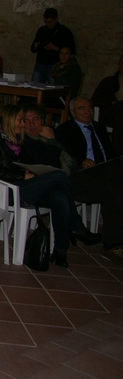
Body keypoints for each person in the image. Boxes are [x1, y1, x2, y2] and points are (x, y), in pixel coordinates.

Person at [0, 104, 100, 268]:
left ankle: (60, 251)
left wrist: (33, 170)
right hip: (9, 189)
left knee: (60, 198)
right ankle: (76, 226)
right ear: (8, 119)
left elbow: (29, 162)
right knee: (60, 176)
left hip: (25, 185)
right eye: (20, 120)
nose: (23, 124)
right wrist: (22, 175)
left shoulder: (17, 139)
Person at [53, 98, 123, 264]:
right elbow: (65, 155)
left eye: (90, 108)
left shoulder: (99, 128)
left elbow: (111, 154)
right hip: (81, 175)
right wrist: (82, 161)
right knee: (116, 176)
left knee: (113, 187)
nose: (87, 111)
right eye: (82, 108)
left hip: (106, 174)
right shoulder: (65, 130)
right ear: (72, 112)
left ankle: (111, 245)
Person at [30, 7, 75, 83]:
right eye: (46, 22)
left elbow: (71, 50)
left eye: (50, 22)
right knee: (34, 87)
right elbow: (32, 49)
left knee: (54, 89)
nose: (48, 24)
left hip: (54, 65)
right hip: (40, 64)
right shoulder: (42, 30)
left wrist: (54, 48)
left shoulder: (64, 32)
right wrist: (37, 46)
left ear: (56, 19)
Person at [91, 54, 123, 129]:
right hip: (112, 113)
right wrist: (111, 102)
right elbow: (96, 99)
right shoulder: (108, 82)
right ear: (119, 65)